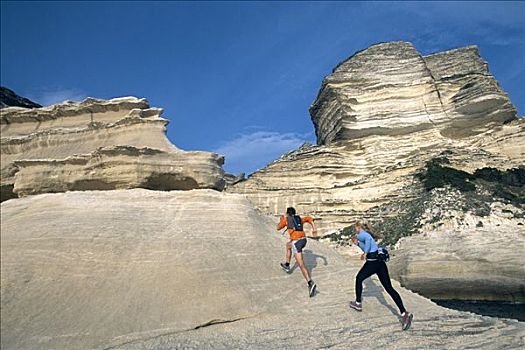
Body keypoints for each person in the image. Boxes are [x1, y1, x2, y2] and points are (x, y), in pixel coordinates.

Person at [349, 220, 413, 331]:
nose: (355, 232)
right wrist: (360, 246)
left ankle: (358, 303)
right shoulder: (362, 238)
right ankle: (404, 313)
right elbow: (368, 243)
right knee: (389, 288)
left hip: (373, 262)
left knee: (359, 279)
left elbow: (368, 241)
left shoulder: (362, 234)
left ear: (358, 227)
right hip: (380, 263)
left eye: (356, 228)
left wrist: (365, 253)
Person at [277, 207, 318, 297]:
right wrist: (314, 228)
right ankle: (287, 265)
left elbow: (278, 228)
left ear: (287, 214)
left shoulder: (286, 220)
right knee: (288, 245)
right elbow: (309, 219)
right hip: (303, 240)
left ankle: (310, 283)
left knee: (301, 265)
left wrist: (281, 220)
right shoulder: (299, 219)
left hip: (297, 243)